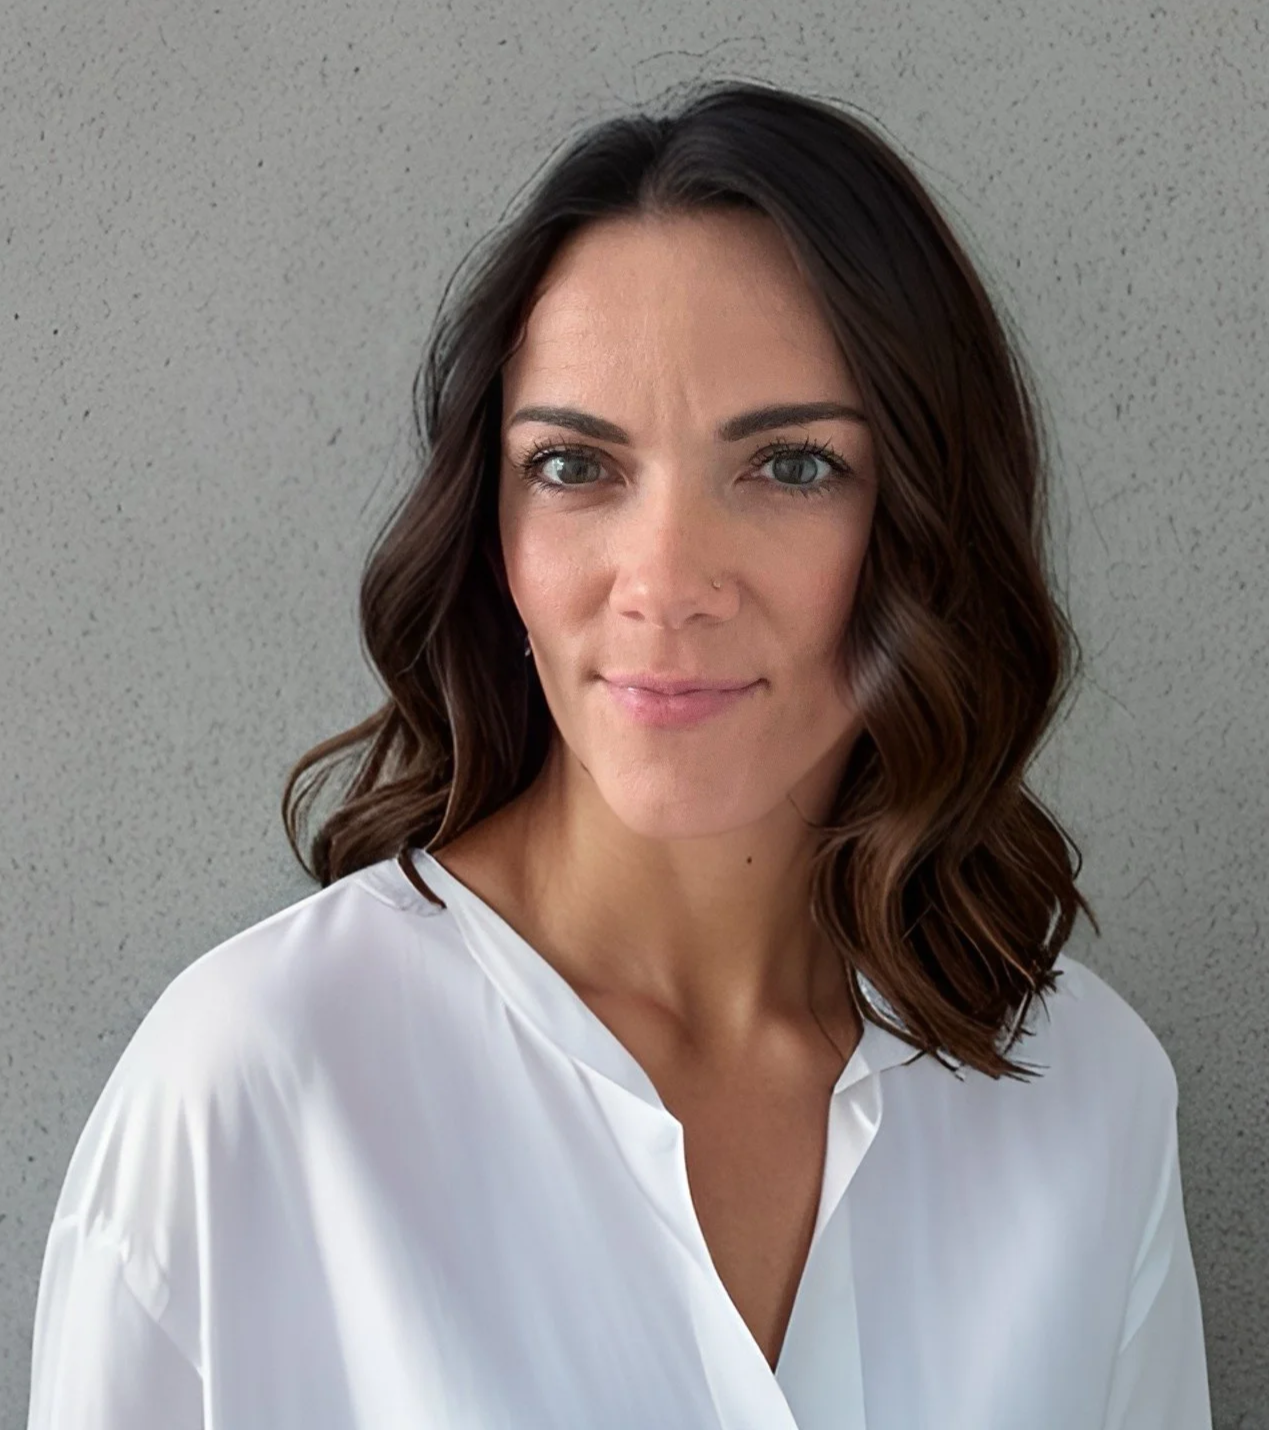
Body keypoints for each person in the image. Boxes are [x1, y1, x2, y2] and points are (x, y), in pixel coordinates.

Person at [27, 81, 1212, 1429]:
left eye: (793, 467)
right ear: (494, 539)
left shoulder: (1085, 1099)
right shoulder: (250, 1094)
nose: (664, 583)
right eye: (577, 467)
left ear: (925, 528)